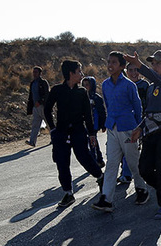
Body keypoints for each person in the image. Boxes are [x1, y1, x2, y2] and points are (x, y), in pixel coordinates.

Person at [43, 60, 104, 209]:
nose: (82, 75)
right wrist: (52, 128)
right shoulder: (57, 90)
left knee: (84, 157)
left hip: (78, 131)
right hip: (61, 133)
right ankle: (68, 193)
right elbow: (47, 109)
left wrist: (91, 133)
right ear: (71, 73)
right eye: (79, 71)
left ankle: (101, 178)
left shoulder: (82, 92)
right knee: (62, 163)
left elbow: (88, 115)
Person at [93, 51, 150, 212]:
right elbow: (107, 105)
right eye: (108, 62)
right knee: (111, 164)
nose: (110, 65)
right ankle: (106, 199)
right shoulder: (105, 85)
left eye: (114, 62)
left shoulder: (129, 85)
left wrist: (138, 128)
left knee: (133, 163)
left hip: (128, 129)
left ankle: (142, 189)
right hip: (112, 128)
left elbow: (137, 107)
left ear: (122, 66)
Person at [126, 50, 161, 219]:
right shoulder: (150, 88)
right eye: (152, 63)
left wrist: (139, 65)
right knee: (144, 169)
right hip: (150, 132)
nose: (154, 66)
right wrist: (139, 128)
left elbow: (155, 78)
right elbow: (148, 112)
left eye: (157, 63)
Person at [82, 76, 106, 167]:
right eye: (84, 85)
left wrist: (103, 124)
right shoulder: (82, 96)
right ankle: (99, 159)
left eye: (87, 85)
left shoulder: (96, 98)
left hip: (94, 123)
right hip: (85, 123)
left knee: (92, 141)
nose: (85, 87)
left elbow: (102, 111)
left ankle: (94, 160)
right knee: (92, 141)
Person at [26, 66, 49, 147]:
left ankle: (55, 138)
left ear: (40, 73)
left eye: (36, 72)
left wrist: (40, 102)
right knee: (35, 125)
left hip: (43, 106)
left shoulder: (43, 82)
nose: (34, 74)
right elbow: (31, 96)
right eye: (33, 72)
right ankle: (32, 141)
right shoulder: (33, 83)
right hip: (35, 107)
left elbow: (46, 94)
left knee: (49, 123)